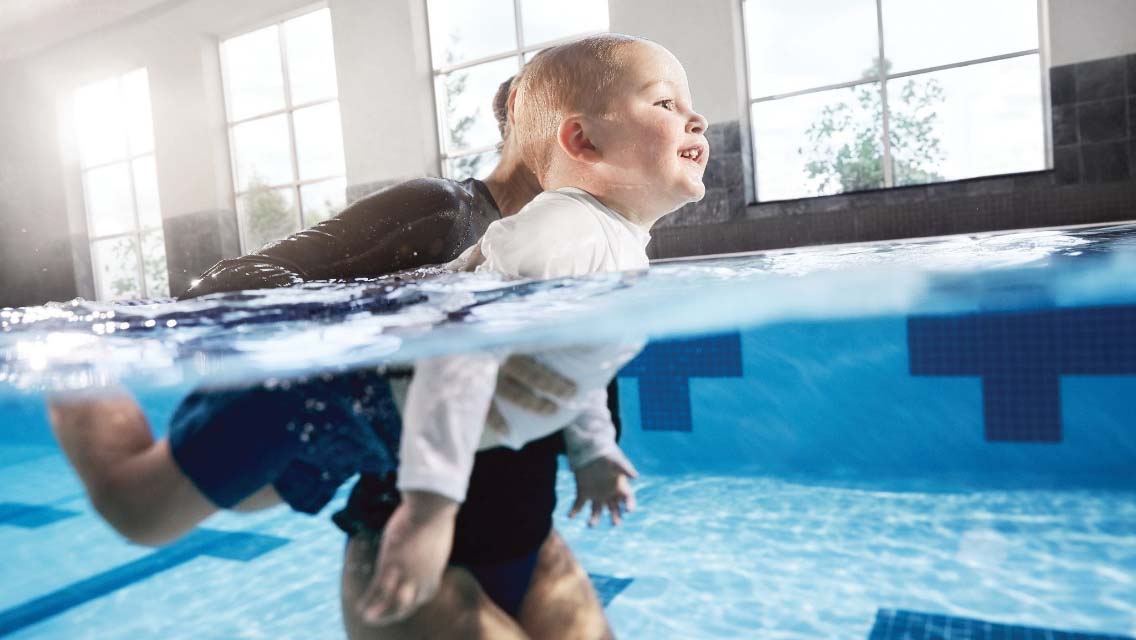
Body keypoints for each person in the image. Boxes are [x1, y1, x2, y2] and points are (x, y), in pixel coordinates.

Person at [47, 68, 627, 640]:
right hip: (328, 415)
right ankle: (68, 355)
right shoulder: (445, 213)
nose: (684, 124)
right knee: (138, 507)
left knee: (244, 502)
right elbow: (233, 282)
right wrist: (393, 309)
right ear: (545, 117)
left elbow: (572, 403)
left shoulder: (591, 248)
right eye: (652, 104)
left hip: (444, 490)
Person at [355, 32, 709, 627]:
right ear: (583, 140)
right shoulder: (566, 231)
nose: (696, 118)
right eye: (665, 103)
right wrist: (428, 509)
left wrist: (594, 449)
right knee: (193, 482)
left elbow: (575, 359)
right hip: (373, 416)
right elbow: (462, 339)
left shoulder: (614, 245)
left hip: (490, 499)